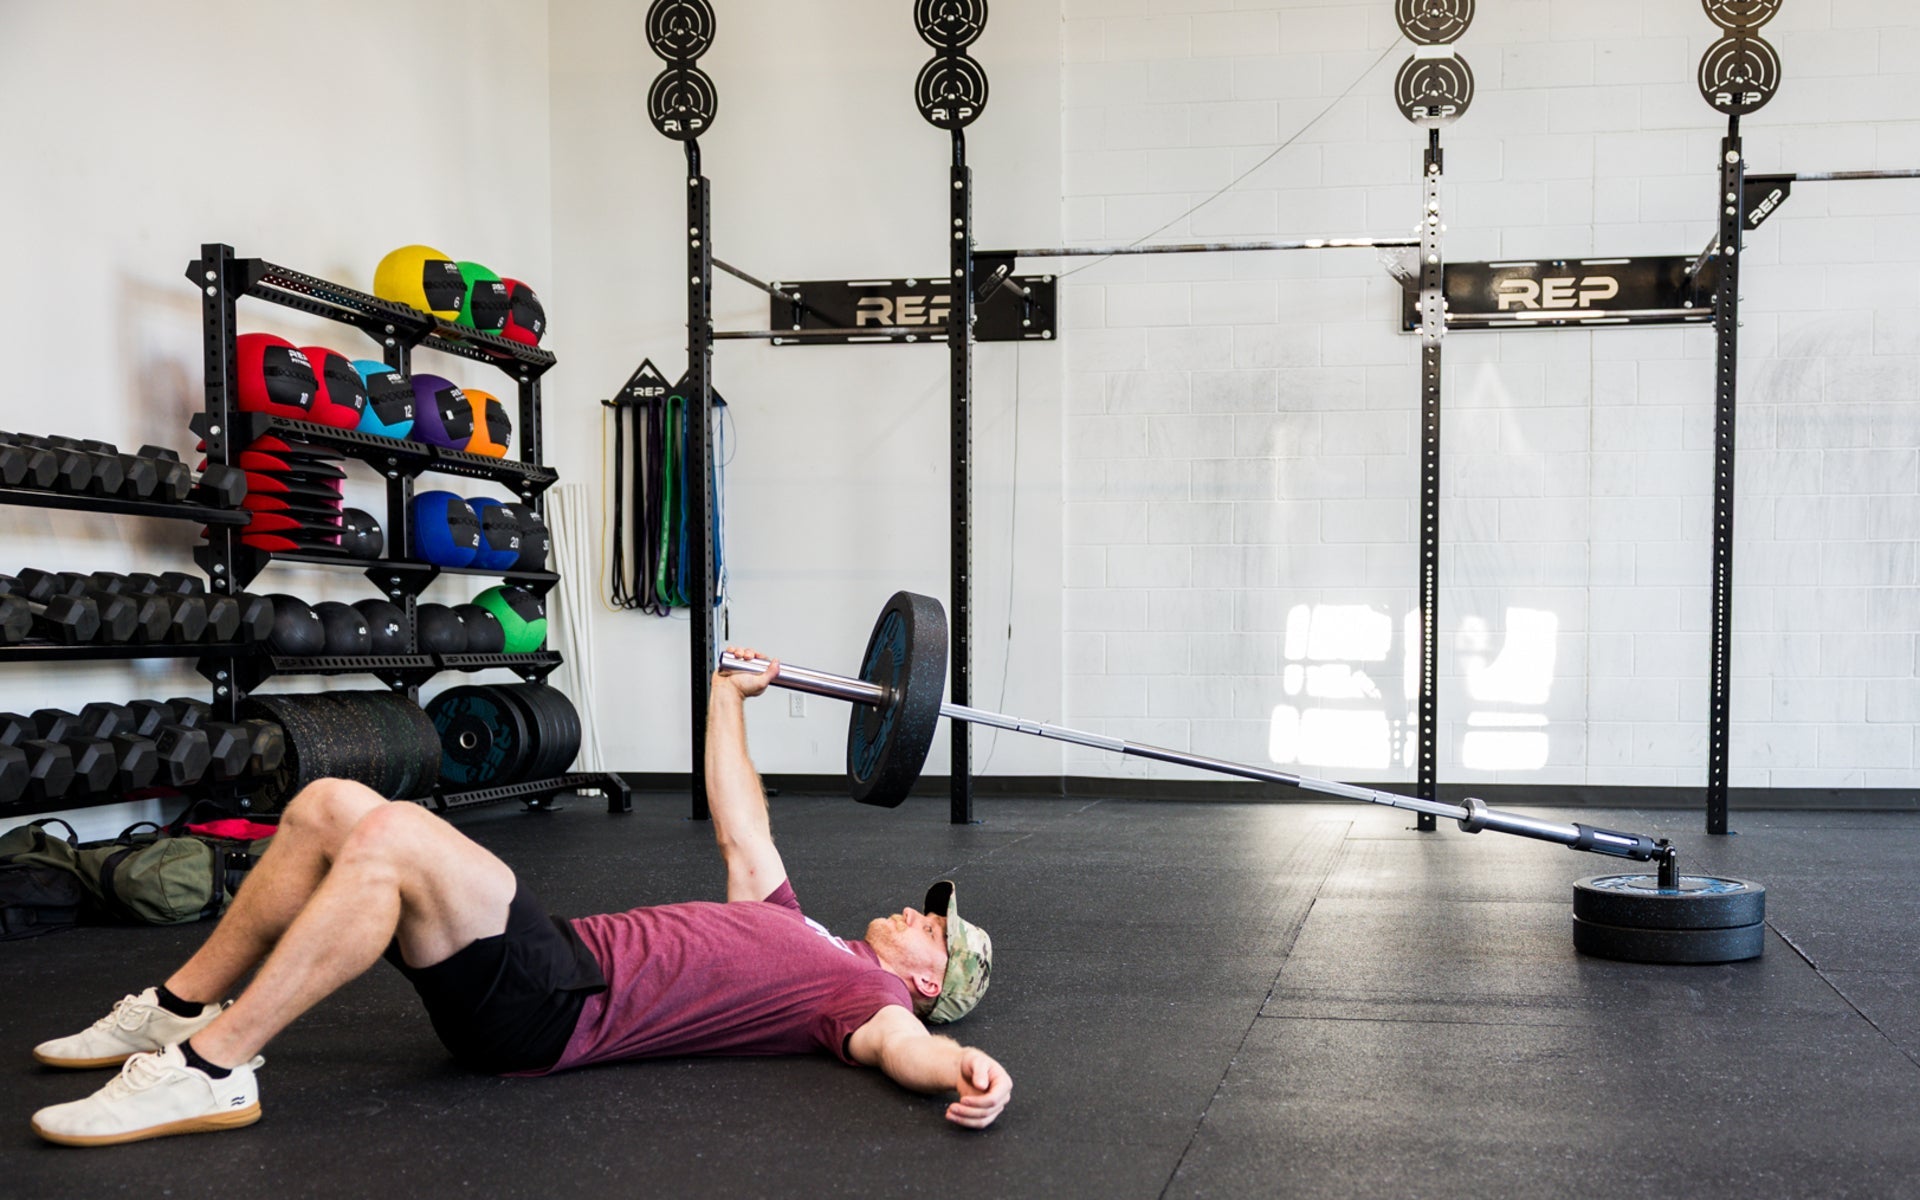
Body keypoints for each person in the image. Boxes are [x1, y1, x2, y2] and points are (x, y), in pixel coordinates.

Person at [29, 650, 1008, 1146]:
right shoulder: (792, 922)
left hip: (558, 1009)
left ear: (927, 981)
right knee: (331, 804)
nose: (922, 912)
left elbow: (912, 1053)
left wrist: (968, 1066)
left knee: (395, 834)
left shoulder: (866, 1004)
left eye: (938, 929)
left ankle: (213, 1068)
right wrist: (726, 697)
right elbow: (741, 820)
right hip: (543, 960)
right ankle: (174, 1012)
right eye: (934, 905)